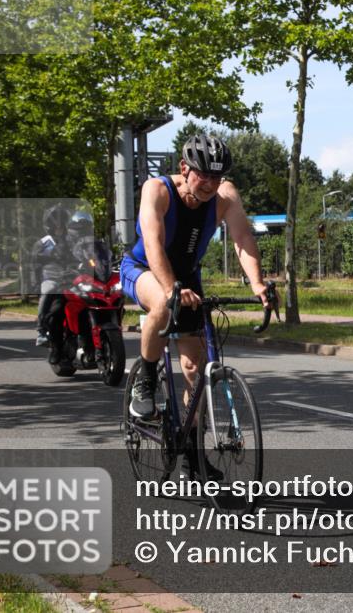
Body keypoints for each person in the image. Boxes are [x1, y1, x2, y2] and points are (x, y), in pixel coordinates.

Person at [119, 134, 272, 477]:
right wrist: (171, 287)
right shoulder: (156, 190)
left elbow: (243, 240)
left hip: (187, 278)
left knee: (196, 371)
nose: (210, 184)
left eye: (217, 177)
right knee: (160, 301)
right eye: (204, 176)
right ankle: (145, 380)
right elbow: (155, 244)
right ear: (184, 169)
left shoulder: (224, 197)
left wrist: (258, 283)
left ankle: (192, 453)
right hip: (143, 269)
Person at [32, 204, 71, 349]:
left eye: (61, 222)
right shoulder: (43, 243)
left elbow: (82, 255)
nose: (59, 226)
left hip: (72, 278)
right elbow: (35, 264)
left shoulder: (71, 240)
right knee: (49, 290)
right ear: (49, 224)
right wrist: (36, 282)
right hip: (51, 278)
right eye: (55, 222)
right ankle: (41, 331)